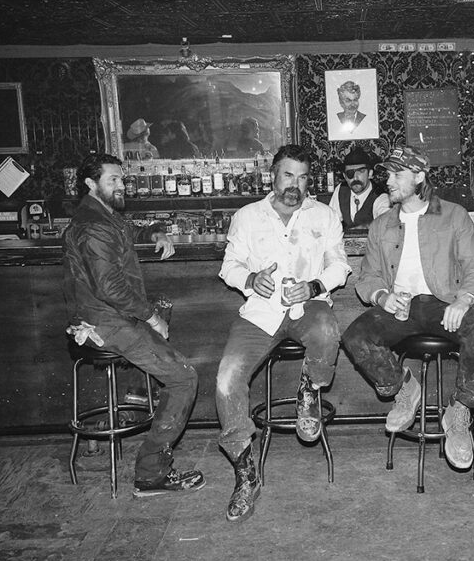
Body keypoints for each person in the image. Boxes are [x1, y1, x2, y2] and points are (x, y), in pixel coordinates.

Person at [343, 145, 474, 471]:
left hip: (444, 303)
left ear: (419, 176)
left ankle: (459, 410)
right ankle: (406, 388)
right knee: (354, 336)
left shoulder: (454, 215)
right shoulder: (382, 225)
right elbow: (368, 277)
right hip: (399, 308)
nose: (388, 180)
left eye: (396, 174)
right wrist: (381, 297)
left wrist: (463, 299)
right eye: (387, 173)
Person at [216, 144, 350, 522]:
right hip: (260, 313)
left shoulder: (324, 215)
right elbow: (229, 266)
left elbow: (339, 264)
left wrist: (314, 285)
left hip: (306, 305)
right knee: (226, 380)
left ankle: (309, 392)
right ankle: (246, 473)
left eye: (303, 177)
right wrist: (250, 278)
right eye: (288, 175)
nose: (295, 184)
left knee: (327, 328)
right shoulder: (247, 216)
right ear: (272, 175)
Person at [62, 153, 205, 497]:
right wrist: (151, 317)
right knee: (185, 378)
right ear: (90, 184)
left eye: (121, 179)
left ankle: (146, 394)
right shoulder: (93, 225)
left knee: (171, 366)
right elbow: (110, 287)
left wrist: (155, 231)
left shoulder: (100, 216)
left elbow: (128, 232)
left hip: (106, 318)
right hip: (107, 322)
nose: (121, 185)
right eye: (112, 180)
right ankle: (151, 473)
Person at [328, 146, 391, 230]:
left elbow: (387, 222)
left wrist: (366, 226)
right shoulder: (341, 190)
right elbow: (331, 221)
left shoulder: (380, 196)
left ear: (370, 174)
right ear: (345, 176)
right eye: (350, 173)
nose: (355, 178)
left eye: (361, 171)